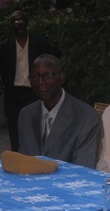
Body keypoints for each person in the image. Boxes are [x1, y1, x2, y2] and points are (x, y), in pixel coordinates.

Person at [18, 54, 100, 169]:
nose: (40, 81)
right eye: (35, 76)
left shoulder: (86, 118)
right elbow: (22, 164)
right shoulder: (26, 115)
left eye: (47, 75)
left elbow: (83, 172)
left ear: (61, 77)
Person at [0, 10, 58, 152]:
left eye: (20, 20)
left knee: (36, 126)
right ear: (10, 25)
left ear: (27, 22)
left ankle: (37, 157)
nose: (18, 23)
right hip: (13, 94)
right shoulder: (4, 47)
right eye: (14, 21)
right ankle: (16, 158)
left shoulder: (39, 43)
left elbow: (52, 61)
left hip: (35, 92)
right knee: (14, 128)